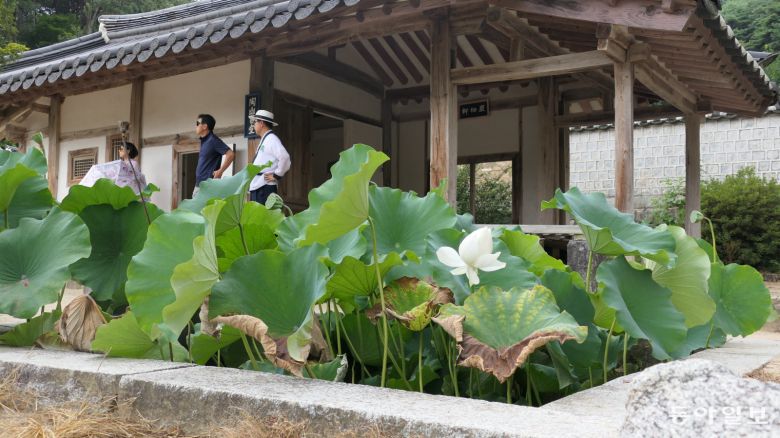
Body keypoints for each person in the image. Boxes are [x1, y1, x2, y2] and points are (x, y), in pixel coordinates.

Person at [248, 109, 291, 204]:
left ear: (262, 123)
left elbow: (285, 157)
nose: (254, 125)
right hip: (259, 185)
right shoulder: (267, 139)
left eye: (255, 122)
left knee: (262, 216)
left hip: (264, 186)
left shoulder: (272, 139)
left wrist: (276, 175)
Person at [193, 114, 235, 197]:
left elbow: (230, 154)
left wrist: (220, 171)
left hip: (208, 186)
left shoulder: (212, 140)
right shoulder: (205, 141)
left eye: (197, 123)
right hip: (200, 185)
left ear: (205, 126)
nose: (196, 126)